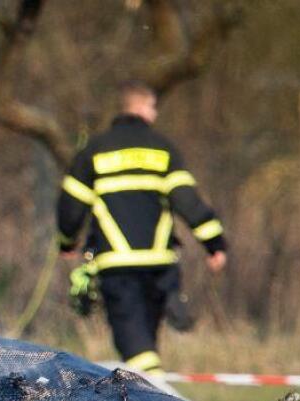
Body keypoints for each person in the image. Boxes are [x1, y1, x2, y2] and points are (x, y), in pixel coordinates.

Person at [56, 80, 226, 376]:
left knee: (134, 345)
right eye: (153, 107)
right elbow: (187, 200)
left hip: (117, 266)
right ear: (142, 108)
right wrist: (215, 244)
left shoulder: (95, 150)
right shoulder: (162, 150)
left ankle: (157, 390)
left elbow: (71, 206)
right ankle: (154, 380)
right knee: (145, 340)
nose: (155, 113)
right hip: (160, 267)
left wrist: (67, 242)